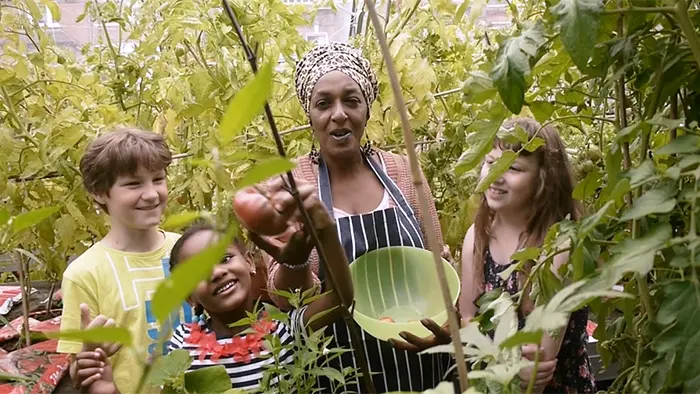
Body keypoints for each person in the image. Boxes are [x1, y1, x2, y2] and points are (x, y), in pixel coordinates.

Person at [255, 42, 454, 394]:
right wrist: (297, 262)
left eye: (351, 100)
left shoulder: (402, 171)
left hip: (418, 353)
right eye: (324, 103)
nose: (339, 114)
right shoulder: (294, 185)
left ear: (367, 109)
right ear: (310, 114)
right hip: (335, 368)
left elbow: (437, 263)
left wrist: (448, 324)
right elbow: (288, 302)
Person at [72, 180, 353, 392]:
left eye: (225, 258)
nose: (217, 272)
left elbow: (342, 298)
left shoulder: (286, 328)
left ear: (250, 263)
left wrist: (325, 231)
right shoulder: (179, 346)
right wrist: (107, 387)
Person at [459, 118, 596, 393]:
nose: (495, 175)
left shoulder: (558, 245)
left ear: (544, 179)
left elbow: (537, 364)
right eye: (490, 162)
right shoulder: (478, 236)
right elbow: (467, 320)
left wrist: (491, 353)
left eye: (513, 167)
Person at [57, 128, 189, 394]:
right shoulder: (84, 273)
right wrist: (89, 355)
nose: (152, 194)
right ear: (99, 192)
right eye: (133, 184)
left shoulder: (187, 249)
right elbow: (79, 368)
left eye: (158, 179)